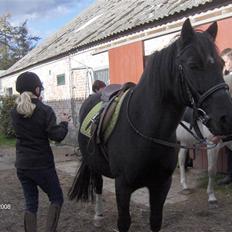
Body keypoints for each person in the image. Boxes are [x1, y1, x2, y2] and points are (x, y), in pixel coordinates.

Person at [11, 71, 70, 231]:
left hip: (22, 166)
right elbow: (56, 136)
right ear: (37, 90)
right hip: (42, 166)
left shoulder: (14, 112)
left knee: (31, 204)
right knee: (56, 198)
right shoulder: (45, 110)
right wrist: (64, 122)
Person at [216, 48, 232, 185]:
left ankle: (229, 175)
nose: (225, 65)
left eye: (226, 62)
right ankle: (229, 174)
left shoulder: (228, 78)